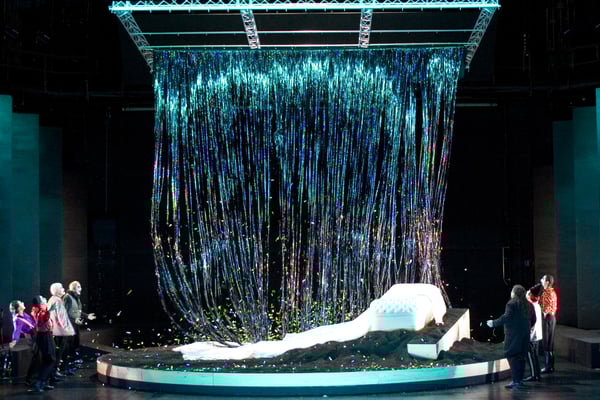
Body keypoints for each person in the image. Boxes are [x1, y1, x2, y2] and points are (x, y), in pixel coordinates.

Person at [486, 284, 532, 389]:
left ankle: (516, 381)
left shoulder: (511, 304)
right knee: (521, 356)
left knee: (512, 355)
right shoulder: (527, 303)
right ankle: (519, 380)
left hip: (514, 334)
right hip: (525, 332)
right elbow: (532, 318)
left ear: (514, 293)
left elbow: (506, 317)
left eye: (512, 291)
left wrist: (493, 323)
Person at [63, 281, 96, 371]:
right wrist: (74, 320)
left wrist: (87, 316)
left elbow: (78, 311)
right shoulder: (67, 297)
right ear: (73, 288)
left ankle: (72, 366)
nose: (80, 289)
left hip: (75, 326)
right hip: (69, 327)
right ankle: (65, 367)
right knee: (68, 347)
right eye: (78, 287)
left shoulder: (76, 298)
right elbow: (64, 313)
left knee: (75, 345)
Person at [29, 296, 57, 393]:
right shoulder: (42, 311)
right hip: (45, 336)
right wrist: (49, 311)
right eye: (42, 298)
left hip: (43, 336)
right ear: (40, 302)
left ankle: (44, 383)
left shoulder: (37, 310)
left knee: (46, 359)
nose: (45, 298)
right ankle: (39, 382)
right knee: (51, 360)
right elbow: (44, 319)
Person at [47, 282, 75, 376]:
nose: (63, 289)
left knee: (60, 352)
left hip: (56, 331)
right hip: (60, 332)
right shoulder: (57, 300)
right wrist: (68, 330)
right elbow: (62, 317)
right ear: (56, 290)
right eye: (61, 287)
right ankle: (54, 372)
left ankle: (57, 371)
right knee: (59, 353)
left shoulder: (52, 300)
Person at [523, 290, 542, 382]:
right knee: (535, 355)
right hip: (537, 335)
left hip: (532, 335)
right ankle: (537, 374)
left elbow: (531, 321)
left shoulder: (531, 306)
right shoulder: (537, 305)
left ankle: (534, 375)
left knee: (530, 355)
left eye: (527, 295)